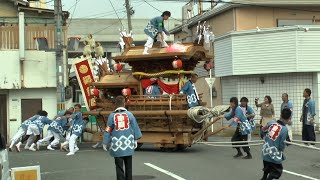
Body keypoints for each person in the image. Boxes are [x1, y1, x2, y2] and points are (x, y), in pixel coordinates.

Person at [103, 96, 142, 180]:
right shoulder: (130, 115)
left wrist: (105, 142)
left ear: (115, 104)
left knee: (119, 167)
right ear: (124, 104)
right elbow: (135, 127)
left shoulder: (111, 116)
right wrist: (135, 139)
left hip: (117, 146)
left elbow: (108, 129)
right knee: (129, 167)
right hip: (128, 145)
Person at [260, 108, 291, 180]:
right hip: (273, 153)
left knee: (267, 166)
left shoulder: (271, 123)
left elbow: (262, 130)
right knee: (277, 170)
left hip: (265, 151)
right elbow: (281, 144)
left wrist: (264, 136)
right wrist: (281, 150)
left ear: (280, 115)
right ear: (289, 118)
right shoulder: (284, 129)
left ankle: (264, 178)